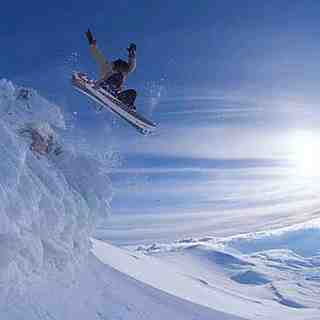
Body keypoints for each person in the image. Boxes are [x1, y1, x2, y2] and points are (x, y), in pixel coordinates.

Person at [85, 29, 137, 110]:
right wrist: (92, 44)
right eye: (119, 69)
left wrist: (132, 53)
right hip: (101, 87)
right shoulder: (106, 66)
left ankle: (127, 104)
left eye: (123, 70)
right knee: (117, 76)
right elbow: (98, 56)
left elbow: (131, 66)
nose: (121, 71)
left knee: (133, 93)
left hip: (115, 95)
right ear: (115, 66)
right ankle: (106, 88)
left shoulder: (124, 73)